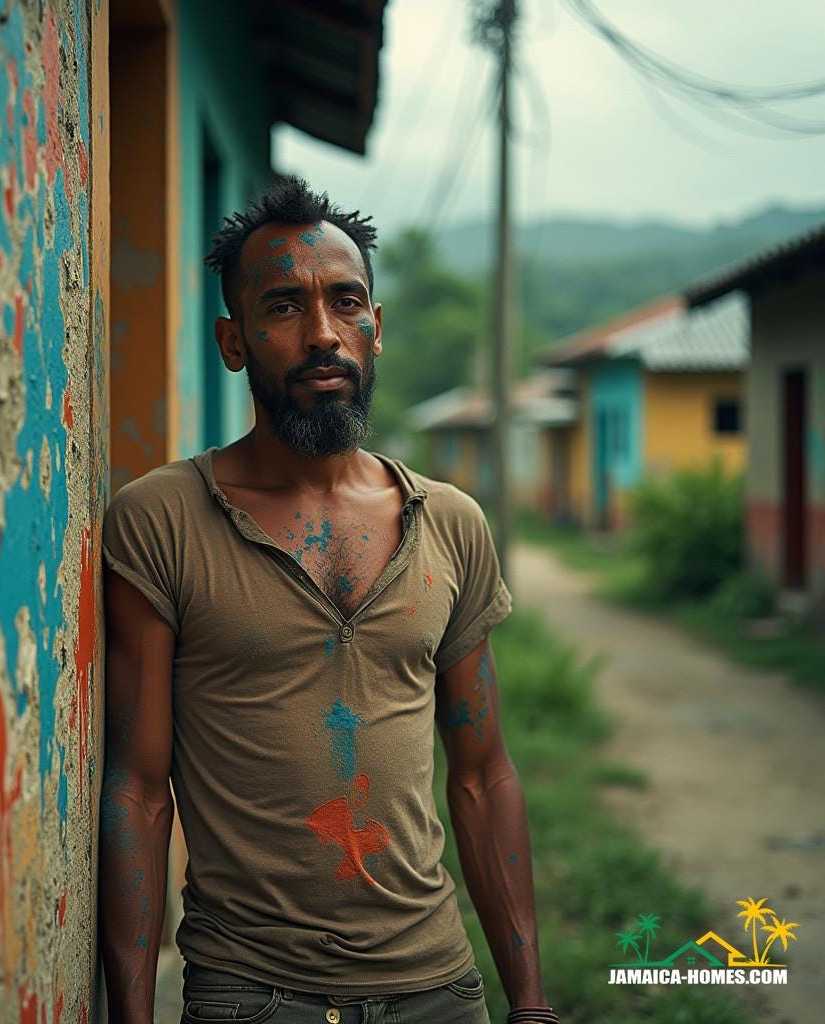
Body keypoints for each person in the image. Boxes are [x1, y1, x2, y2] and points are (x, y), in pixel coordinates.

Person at [99, 177, 558, 1024]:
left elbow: (485, 775)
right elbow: (136, 785)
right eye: (283, 307)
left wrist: (528, 1005)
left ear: (375, 329)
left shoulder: (450, 524)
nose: (322, 335)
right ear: (232, 342)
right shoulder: (160, 521)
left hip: (438, 987)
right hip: (252, 992)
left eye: (346, 303)